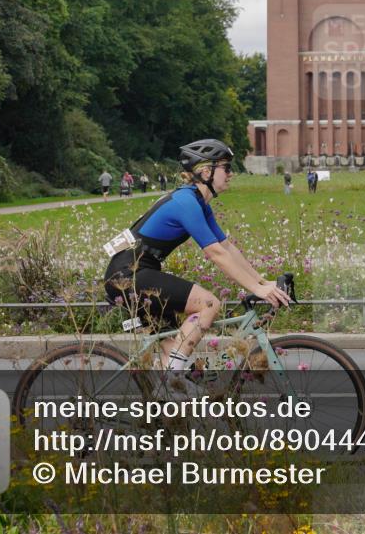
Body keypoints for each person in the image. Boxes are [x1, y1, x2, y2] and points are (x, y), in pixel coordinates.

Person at [103, 138, 291, 380]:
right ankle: (173, 379)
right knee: (209, 304)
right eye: (226, 168)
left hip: (140, 273)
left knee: (171, 361)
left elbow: (227, 247)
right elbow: (215, 254)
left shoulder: (199, 204)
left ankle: (164, 408)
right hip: (129, 276)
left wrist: (263, 283)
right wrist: (256, 288)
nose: (231, 174)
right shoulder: (186, 203)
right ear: (205, 171)